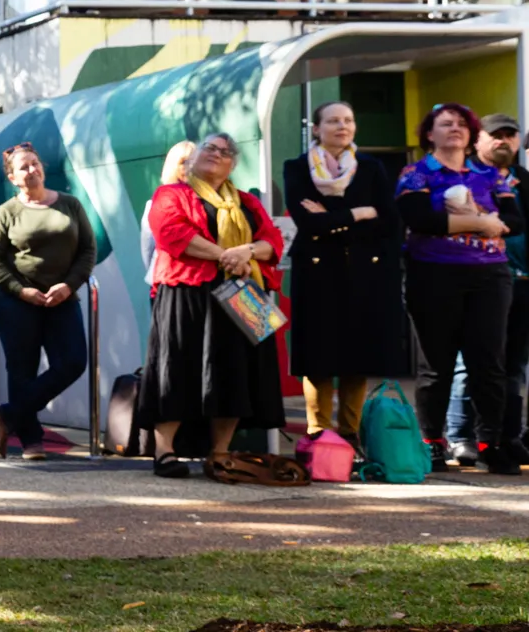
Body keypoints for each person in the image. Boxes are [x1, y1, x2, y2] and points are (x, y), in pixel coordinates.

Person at [139, 133, 286, 478]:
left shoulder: (248, 202)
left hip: (246, 292)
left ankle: (220, 454)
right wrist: (226, 255)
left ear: (233, 164)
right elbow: (173, 234)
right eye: (210, 148)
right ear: (192, 159)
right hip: (187, 289)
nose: (217, 155)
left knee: (240, 372)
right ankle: (165, 451)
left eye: (225, 152)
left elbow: (273, 241)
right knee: (177, 369)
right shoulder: (171, 193)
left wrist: (246, 252)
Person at [397, 103, 522, 474]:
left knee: (489, 363)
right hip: (433, 274)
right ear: (429, 134)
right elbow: (419, 219)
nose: (454, 129)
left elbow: (515, 219)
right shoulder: (416, 173)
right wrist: (482, 223)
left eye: (461, 125)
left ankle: (491, 442)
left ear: (470, 135)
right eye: (445, 124)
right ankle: (433, 443)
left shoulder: (491, 175)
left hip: (490, 276)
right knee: (436, 366)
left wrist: (480, 223)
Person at [281, 102, 410, 443]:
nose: (343, 126)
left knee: (358, 354)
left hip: (364, 273)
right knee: (318, 355)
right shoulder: (296, 168)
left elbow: (389, 223)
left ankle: (350, 434)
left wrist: (333, 219)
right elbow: (307, 223)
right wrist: (359, 213)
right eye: (334, 120)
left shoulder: (370, 167)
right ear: (317, 128)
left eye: (349, 120)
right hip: (317, 273)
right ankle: (318, 432)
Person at [0, 142, 95, 460]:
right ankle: (31, 441)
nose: (32, 170)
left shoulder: (70, 205)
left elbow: (88, 249)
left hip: (62, 296)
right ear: (13, 178)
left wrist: (69, 286)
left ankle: (8, 414)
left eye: (35, 163)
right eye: (23, 167)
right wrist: (21, 290)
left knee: (73, 362)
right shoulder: (7, 213)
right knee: (22, 369)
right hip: (14, 300)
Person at [444, 113, 529, 468]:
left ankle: (506, 437)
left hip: (521, 283)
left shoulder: (523, 180)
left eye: (510, 135)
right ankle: (460, 437)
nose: (504, 141)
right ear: (478, 140)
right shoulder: (468, 176)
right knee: (470, 364)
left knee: (512, 367)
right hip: (476, 281)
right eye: (496, 135)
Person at [139, 141, 195, 281]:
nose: (189, 167)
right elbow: (148, 247)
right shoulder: (156, 204)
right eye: (184, 162)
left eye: (195, 161)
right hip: (167, 281)